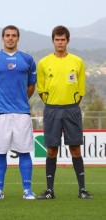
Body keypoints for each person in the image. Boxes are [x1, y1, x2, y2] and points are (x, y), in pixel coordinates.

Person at [37, 26, 94, 199]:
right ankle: (49, 191)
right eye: (57, 39)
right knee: (51, 150)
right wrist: (52, 102)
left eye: (63, 39)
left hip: (72, 110)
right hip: (52, 110)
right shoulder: (44, 63)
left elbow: (81, 90)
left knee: (75, 149)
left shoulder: (77, 62)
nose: (60, 42)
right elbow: (41, 89)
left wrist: (70, 105)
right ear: (53, 41)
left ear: (68, 41)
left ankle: (82, 190)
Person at [0, 25, 37, 200]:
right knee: (0, 152)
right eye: (7, 35)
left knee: (24, 151)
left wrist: (21, 100)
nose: (10, 38)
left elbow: (31, 86)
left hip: (22, 112)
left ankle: (27, 190)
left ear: (18, 38)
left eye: (14, 35)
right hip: (0, 114)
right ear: (2, 37)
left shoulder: (27, 60)